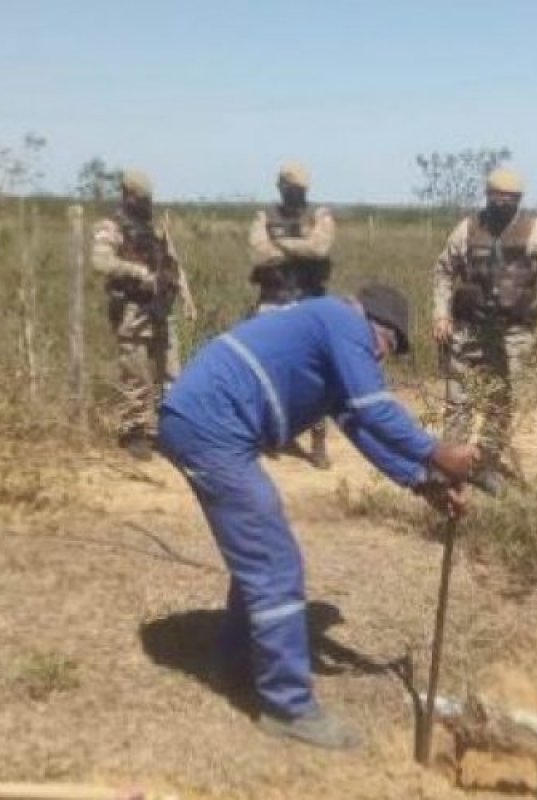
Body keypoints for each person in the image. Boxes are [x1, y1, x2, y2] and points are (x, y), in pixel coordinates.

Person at [157, 285, 477, 751]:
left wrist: (421, 480)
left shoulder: (330, 342)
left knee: (259, 551)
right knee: (275, 562)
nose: (381, 358)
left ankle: (234, 662)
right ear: (373, 323)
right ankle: (287, 708)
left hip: (205, 422)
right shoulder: (342, 320)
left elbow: (362, 426)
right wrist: (438, 452)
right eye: (387, 345)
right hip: (211, 426)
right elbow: (375, 408)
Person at [431, 167, 537, 496]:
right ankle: (451, 466)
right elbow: (443, 271)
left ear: (520, 199)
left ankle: (485, 465)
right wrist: (440, 315)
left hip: (514, 334)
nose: (503, 204)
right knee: (458, 400)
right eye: (497, 197)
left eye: (510, 199)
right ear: (487, 196)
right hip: (468, 329)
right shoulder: (467, 229)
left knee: (501, 403)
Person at [91, 170, 196, 460]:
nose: (146, 203)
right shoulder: (111, 227)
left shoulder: (155, 226)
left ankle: (171, 430)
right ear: (128, 195)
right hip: (132, 309)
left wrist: (186, 295)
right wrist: (137, 272)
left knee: (172, 373)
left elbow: (172, 262)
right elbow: (100, 261)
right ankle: (135, 432)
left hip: (161, 307)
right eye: (141, 197)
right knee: (136, 374)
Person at [247, 162, 336, 469]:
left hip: (309, 302)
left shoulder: (320, 215)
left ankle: (318, 437)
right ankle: (267, 431)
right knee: (266, 368)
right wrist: (300, 247)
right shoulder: (264, 216)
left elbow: (320, 248)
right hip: (273, 301)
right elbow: (259, 254)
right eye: (291, 189)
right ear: (280, 188)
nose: (296, 194)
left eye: (300, 190)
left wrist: (280, 245)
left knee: (316, 370)